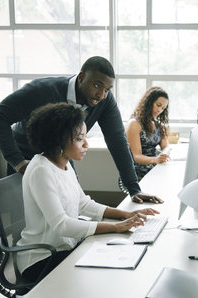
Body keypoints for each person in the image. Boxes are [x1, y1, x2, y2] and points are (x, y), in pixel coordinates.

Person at [0, 56, 162, 204]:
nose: (101, 95)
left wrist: (134, 188)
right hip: (26, 160)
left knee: (74, 206)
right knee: (24, 219)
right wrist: (17, 160)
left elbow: (117, 141)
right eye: (97, 85)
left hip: (61, 158)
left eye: (107, 89)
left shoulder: (104, 101)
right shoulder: (41, 90)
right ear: (81, 77)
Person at [18, 102, 159, 283]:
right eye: (79, 139)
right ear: (58, 139)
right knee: (106, 276)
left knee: (120, 259)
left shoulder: (64, 163)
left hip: (64, 248)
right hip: (41, 259)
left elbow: (83, 203)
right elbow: (62, 225)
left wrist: (126, 215)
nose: (86, 144)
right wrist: (116, 227)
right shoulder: (41, 170)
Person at [125, 86, 170, 181]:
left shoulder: (158, 124)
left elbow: (166, 146)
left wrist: (164, 155)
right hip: (139, 171)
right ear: (149, 102)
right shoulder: (134, 124)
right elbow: (136, 156)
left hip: (154, 166)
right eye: (158, 105)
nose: (159, 110)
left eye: (163, 108)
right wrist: (156, 159)